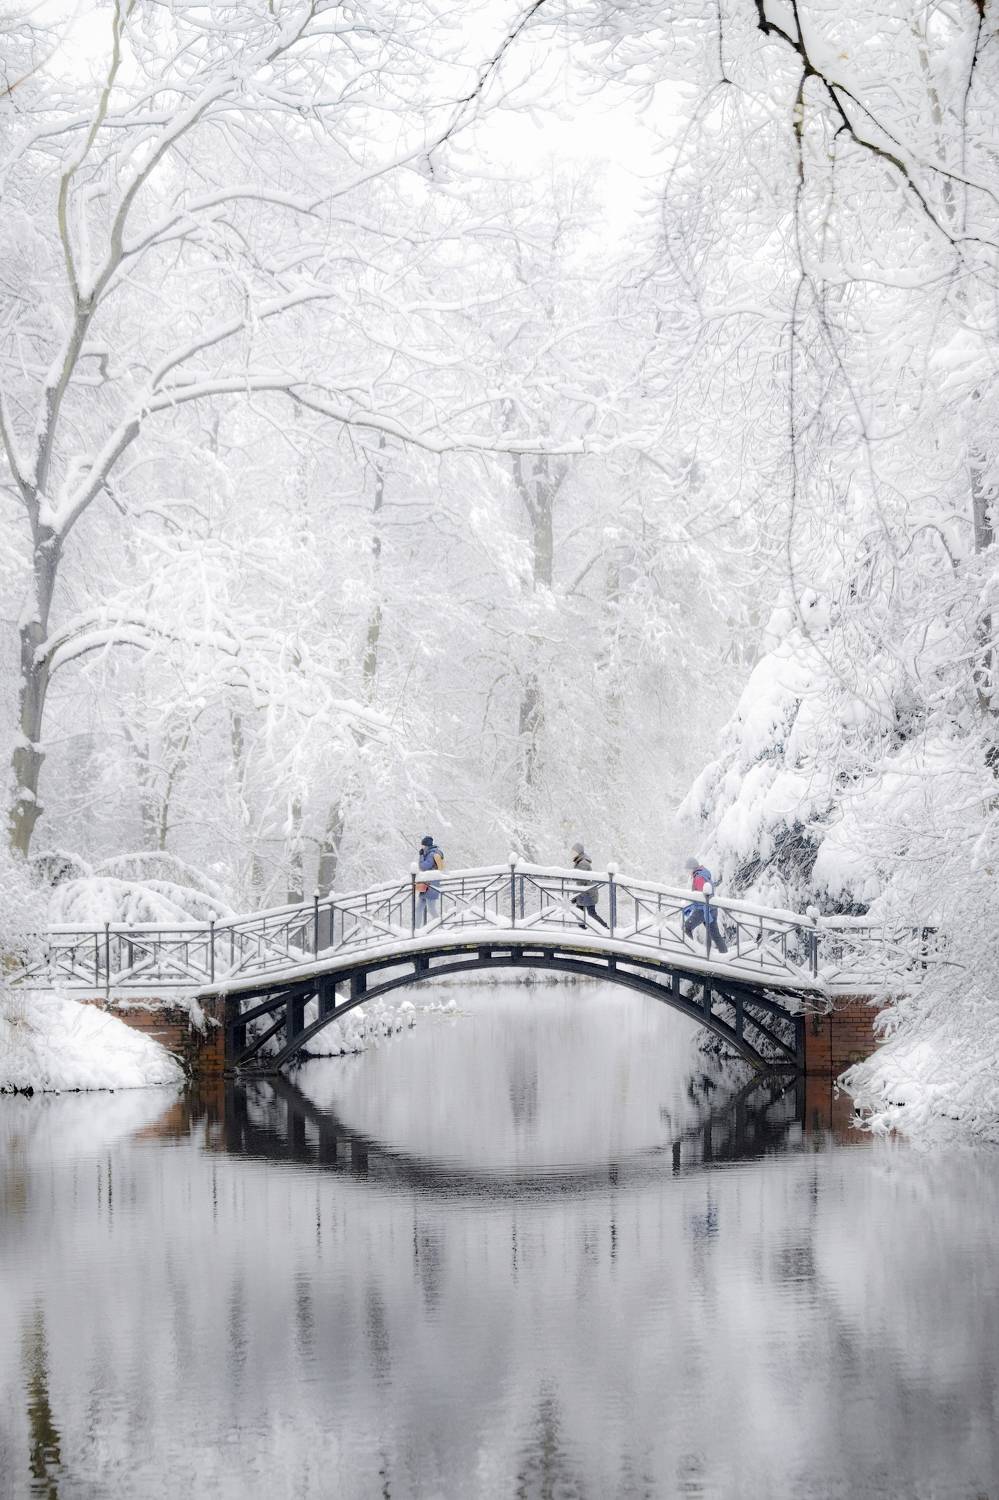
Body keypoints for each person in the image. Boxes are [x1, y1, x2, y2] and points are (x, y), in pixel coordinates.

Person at [682, 857, 728, 953]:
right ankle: (724, 954)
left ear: (692, 868)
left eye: (687, 870)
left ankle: (691, 950)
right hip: (711, 908)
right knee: (715, 935)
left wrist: (692, 907)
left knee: (686, 928)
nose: (687, 872)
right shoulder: (703, 874)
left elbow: (702, 897)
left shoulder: (699, 877)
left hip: (703, 910)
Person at [570, 841, 608, 930]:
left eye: (574, 852)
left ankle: (604, 928)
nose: (572, 854)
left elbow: (580, 880)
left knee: (589, 913)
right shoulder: (580, 862)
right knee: (581, 912)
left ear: (579, 852)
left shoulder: (583, 863)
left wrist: (574, 895)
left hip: (587, 893)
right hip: (585, 893)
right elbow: (580, 881)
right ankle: (585, 929)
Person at [416, 834, 444, 926]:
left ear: (427, 846)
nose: (422, 847)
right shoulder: (429, 853)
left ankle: (441, 926)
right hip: (426, 885)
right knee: (418, 908)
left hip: (431, 886)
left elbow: (423, 867)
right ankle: (416, 929)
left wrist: (421, 856)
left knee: (431, 909)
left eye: (423, 846)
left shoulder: (431, 854)